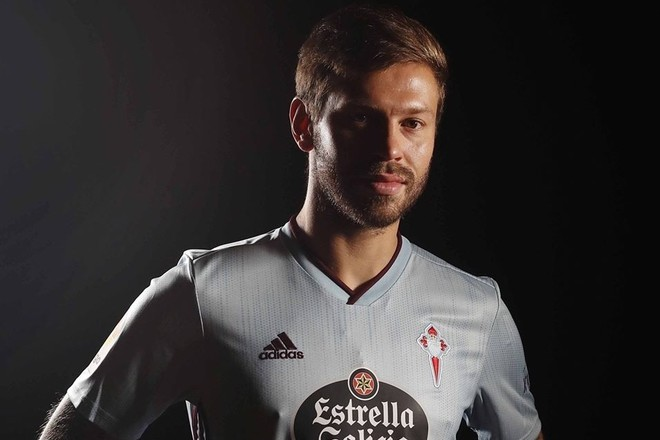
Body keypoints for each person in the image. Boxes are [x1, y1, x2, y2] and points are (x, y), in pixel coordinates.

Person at [38, 3, 544, 439]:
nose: (391, 148)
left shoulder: (477, 312)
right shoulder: (204, 293)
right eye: (361, 118)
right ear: (305, 125)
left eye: (412, 123)